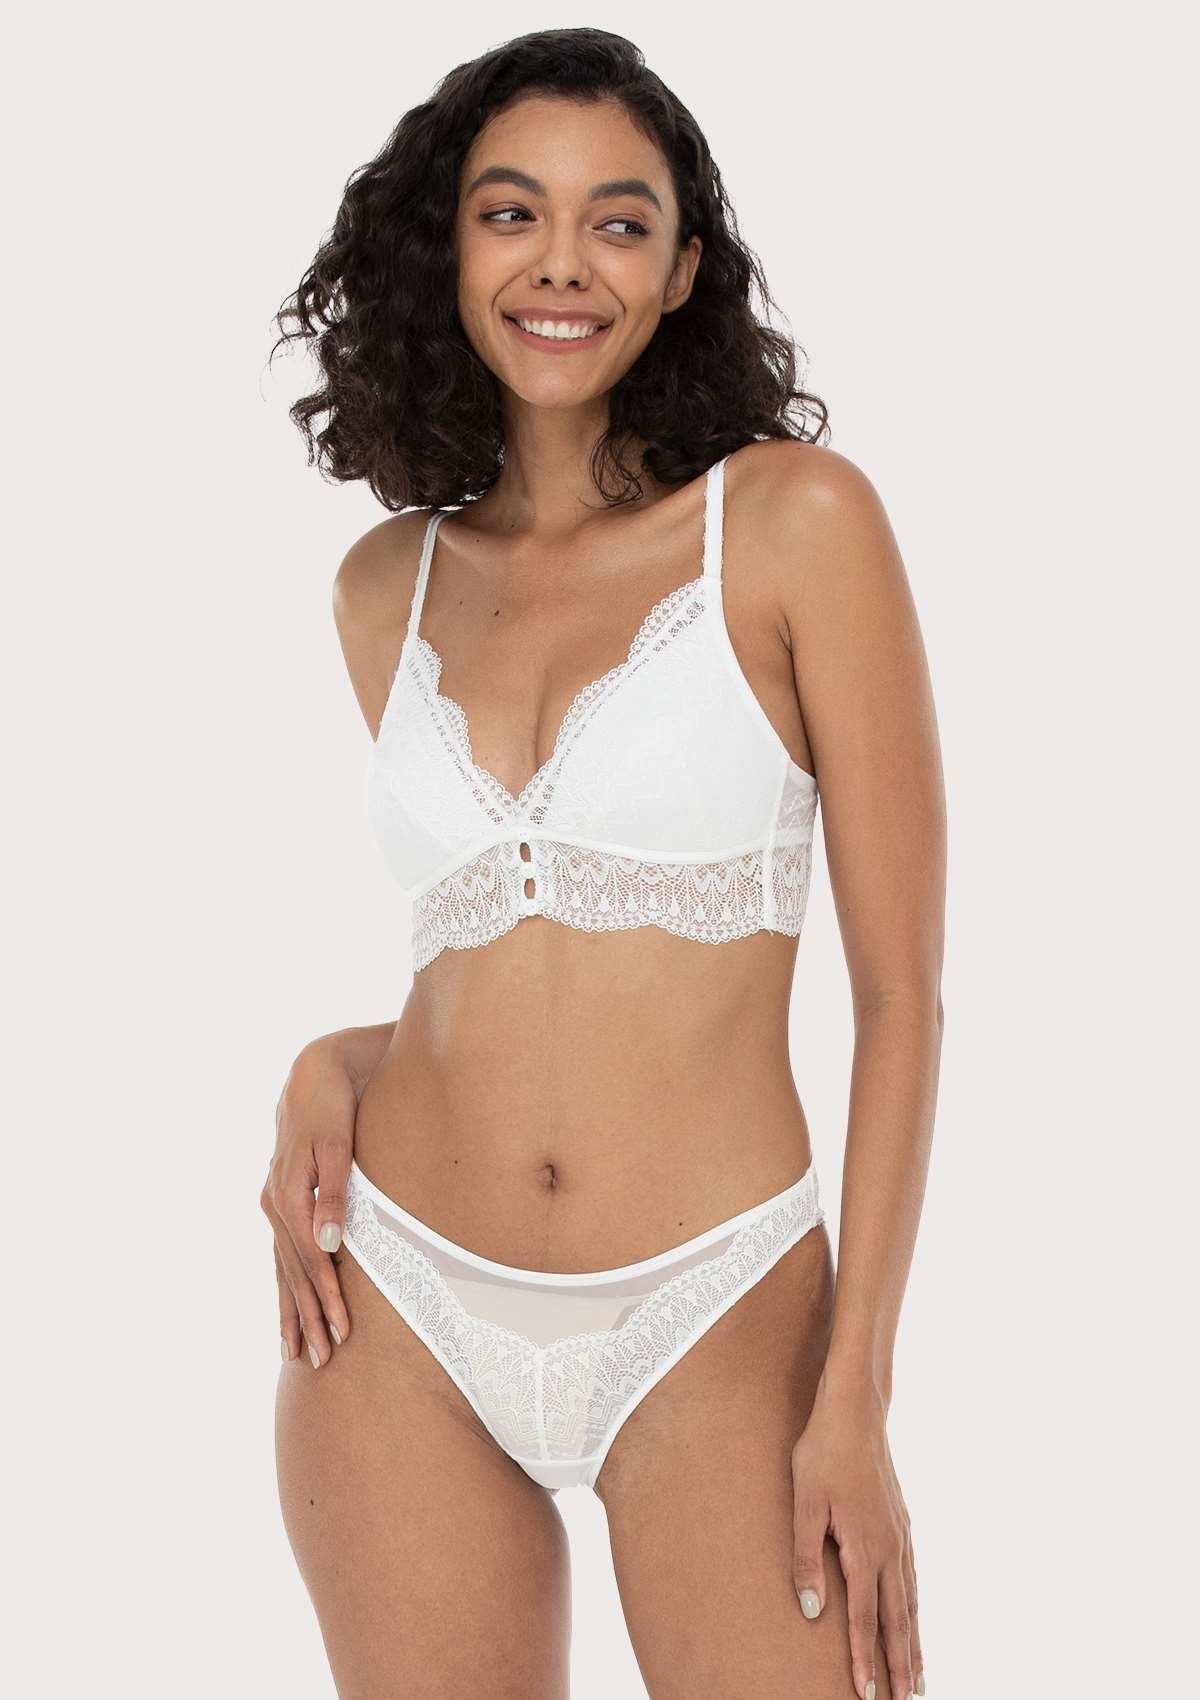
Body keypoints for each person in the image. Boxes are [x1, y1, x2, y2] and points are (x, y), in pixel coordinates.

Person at [263, 26, 944, 1700]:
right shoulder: (385, 588)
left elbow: (901, 997)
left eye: (618, 222)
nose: (562, 264)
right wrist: (332, 1059)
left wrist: (857, 1392)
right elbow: (502, 960)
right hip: (398, 1305)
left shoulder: (793, 526)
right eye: (512, 214)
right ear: (447, 249)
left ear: (681, 269)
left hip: (717, 1309)